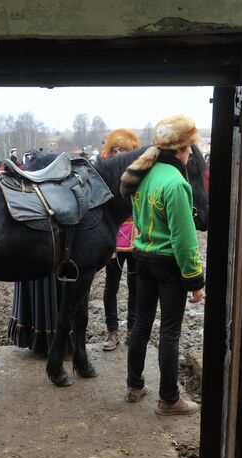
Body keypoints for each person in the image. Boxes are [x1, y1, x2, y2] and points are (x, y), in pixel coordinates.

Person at [120, 115, 204, 415]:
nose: (192, 152)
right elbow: (184, 240)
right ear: (181, 149)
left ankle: (134, 385)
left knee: (141, 324)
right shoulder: (176, 184)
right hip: (168, 266)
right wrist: (194, 280)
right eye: (190, 147)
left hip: (141, 259)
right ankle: (169, 399)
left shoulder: (144, 175)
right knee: (170, 331)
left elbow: (139, 221)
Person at [8, 150, 72, 356]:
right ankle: (52, 338)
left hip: (36, 251)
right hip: (47, 251)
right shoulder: (62, 195)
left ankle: (36, 335)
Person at [99, 129, 140, 352]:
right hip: (113, 235)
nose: (118, 153)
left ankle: (132, 330)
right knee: (111, 286)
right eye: (114, 150)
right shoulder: (106, 177)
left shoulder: (138, 175)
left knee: (135, 286)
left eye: (122, 150)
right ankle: (112, 331)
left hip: (135, 235)